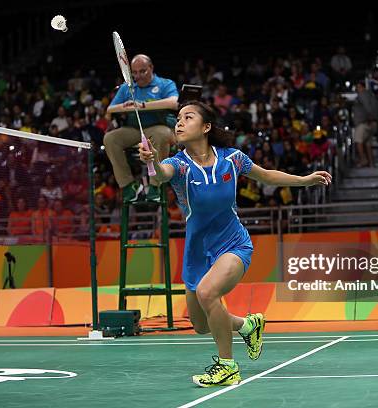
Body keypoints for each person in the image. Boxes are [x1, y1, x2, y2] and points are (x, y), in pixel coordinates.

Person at [138, 100, 332, 387]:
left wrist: (305, 180)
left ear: (205, 127)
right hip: (197, 252)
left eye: (187, 117)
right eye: (177, 118)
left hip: (233, 244)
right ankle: (247, 325)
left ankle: (227, 365)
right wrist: (152, 161)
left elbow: (266, 175)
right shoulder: (177, 164)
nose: (179, 123)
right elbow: (158, 178)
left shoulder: (232, 158)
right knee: (201, 325)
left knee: (207, 292)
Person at [104, 54, 179, 203]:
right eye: (135, 72)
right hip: (134, 130)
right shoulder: (128, 88)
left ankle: (155, 185)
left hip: (160, 127)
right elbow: (110, 109)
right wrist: (125, 106)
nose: (138, 76)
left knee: (161, 134)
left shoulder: (165, 84)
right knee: (110, 138)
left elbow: (174, 103)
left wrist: (142, 105)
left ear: (151, 68)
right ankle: (128, 185)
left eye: (143, 71)